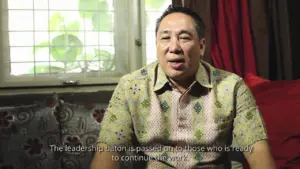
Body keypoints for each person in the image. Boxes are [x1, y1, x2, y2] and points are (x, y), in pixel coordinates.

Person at [90, 5, 276, 169]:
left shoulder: (232, 87)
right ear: (156, 44)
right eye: (165, 38)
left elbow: (257, 149)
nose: (174, 47)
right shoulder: (131, 87)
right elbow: (107, 152)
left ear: (201, 46)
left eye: (184, 38)